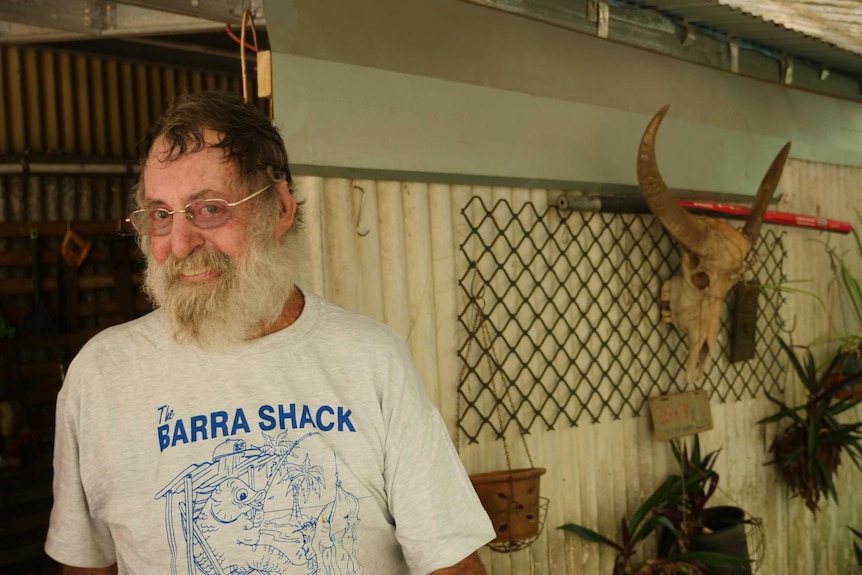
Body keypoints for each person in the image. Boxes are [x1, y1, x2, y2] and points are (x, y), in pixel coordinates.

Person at [45, 91, 495, 575]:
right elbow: (88, 566)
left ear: (279, 209)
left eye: (210, 208)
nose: (179, 243)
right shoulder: (101, 376)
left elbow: (449, 563)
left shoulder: (369, 359)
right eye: (160, 215)